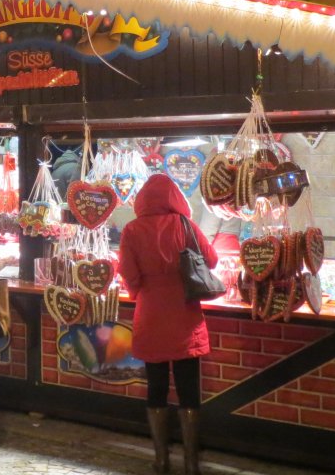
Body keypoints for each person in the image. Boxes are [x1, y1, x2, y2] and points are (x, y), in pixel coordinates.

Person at [119, 173, 218, 475]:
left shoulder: (132, 230)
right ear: (175, 196)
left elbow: (128, 274)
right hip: (185, 313)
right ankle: (191, 462)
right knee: (189, 389)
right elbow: (211, 260)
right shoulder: (185, 225)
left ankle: (161, 459)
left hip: (150, 314)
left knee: (156, 387)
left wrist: (141, 291)